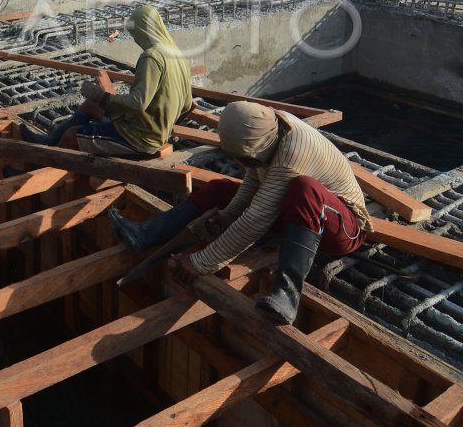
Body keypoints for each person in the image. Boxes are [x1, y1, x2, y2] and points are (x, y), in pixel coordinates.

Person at [110, 100, 370, 326]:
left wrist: (202, 261)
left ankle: (287, 296)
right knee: (221, 188)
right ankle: (143, 234)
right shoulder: (267, 126)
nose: (242, 164)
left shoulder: (293, 153)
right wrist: (226, 215)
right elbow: (254, 182)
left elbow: (256, 218)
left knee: (306, 189)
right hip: (296, 211)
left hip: (342, 230)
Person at [20, 4, 191, 158]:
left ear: (144, 30)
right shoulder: (178, 55)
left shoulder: (152, 57)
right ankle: (48, 142)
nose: (136, 39)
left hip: (137, 138)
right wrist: (163, 126)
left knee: (71, 136)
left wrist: (101, 96)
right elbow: (187, 105)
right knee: (91, 105)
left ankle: (39, 165)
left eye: (136, 34)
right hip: (149, 130)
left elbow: (138, 103)